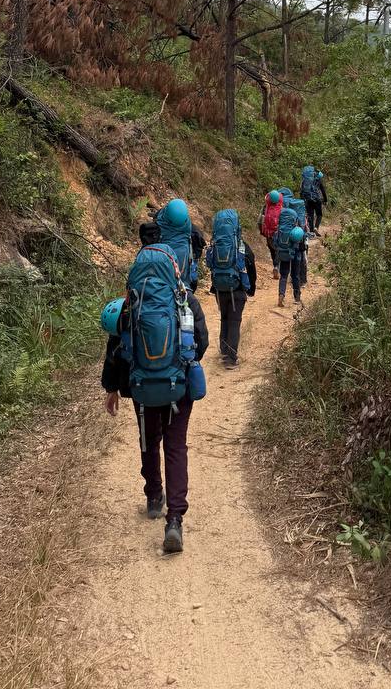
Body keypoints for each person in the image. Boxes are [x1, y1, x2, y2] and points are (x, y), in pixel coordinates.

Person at [101, 240, 209, 555]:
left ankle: (153, 497)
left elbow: (115, 352)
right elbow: (200, 345)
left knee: (149, 441)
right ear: (173, 268)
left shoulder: (130, 305)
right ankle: (174, 519)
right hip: (178, 388)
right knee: (176, 447)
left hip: (143, 389)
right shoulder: (186, 301)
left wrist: (111, 389)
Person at [206, 208, 256, 368]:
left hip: (219, 289)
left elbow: (209, 264)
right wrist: (251, 288)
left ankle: (224, 351)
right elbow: (251, 267)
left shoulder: (214, 245)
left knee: (224, 319)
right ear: (237, 227)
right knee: (234, 322)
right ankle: (231, 358)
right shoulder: (241, 246)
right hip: (237, 289)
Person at [257, 189, 283, 278]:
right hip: (278, 232)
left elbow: (259, 220)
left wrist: (262, 231)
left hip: (268, 232)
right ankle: (277, 267)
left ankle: (275, 266)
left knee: (272, 250)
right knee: (278, 250)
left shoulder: (266, 206)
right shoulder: (281, 206)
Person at [300, 165, 327, 236]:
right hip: (317, 199)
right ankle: (316, 227)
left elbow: (301, 190)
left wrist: (302, 200)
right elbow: (323, 190)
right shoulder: (318, 179)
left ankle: (311, 231)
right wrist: (325, 199)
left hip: (308, 199)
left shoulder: (305, 180)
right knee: (319, 214)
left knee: (310, 215)